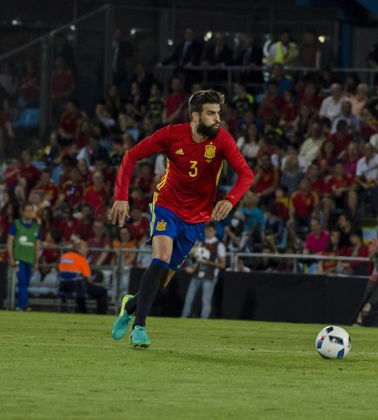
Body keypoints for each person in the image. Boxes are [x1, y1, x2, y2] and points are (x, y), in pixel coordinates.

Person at [109, 89, 254, 347]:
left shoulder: (222, 140)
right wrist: (121, 196)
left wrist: (229, 199)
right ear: (195, 115)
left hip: (196, 217)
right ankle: (139, 328)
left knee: (161, 282)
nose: (217, 118)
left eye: (218, 113)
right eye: (211, 113)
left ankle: (130, 306)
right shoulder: (171, 134)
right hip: (166, 205)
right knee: (161, 258)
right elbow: (130, 155)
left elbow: (246, 174)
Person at [181, 223, 226, 319]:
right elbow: (198, 260)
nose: (208, 233)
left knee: (206, 300)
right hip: (197, 275)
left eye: (210, 231)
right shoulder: (201, 243)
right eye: (207, 230)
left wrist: (208, 262)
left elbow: (223, 264)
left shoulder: (219, 245)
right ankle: (183, 318)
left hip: (210, 276)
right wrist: (192, 268)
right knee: (189, 298)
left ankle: (203, 321)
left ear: (214, 232)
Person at [58, 240, 108, 314]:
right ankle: (101, 314)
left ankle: (82, 312)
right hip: (78, 287)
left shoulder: (64, 257)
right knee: (103, 291)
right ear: (78, 248)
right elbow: (89, 279)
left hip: (63, 287)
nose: (87, 249)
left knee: (80, 287)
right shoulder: (82, 259)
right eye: (85, 247)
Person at [7, 203, 41, 312]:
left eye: (31, 211)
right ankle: (24, 305)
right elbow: (10, 241)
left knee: (26, 282)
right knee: (22, 280)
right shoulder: (16, 224)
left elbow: (37, 245)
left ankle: (20, 305)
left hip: (30, 259)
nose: (29, 213)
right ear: (22, 212)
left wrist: (36, 261)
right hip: (19, 257)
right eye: (27, 210)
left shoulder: (37, 227)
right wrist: (11, 257)